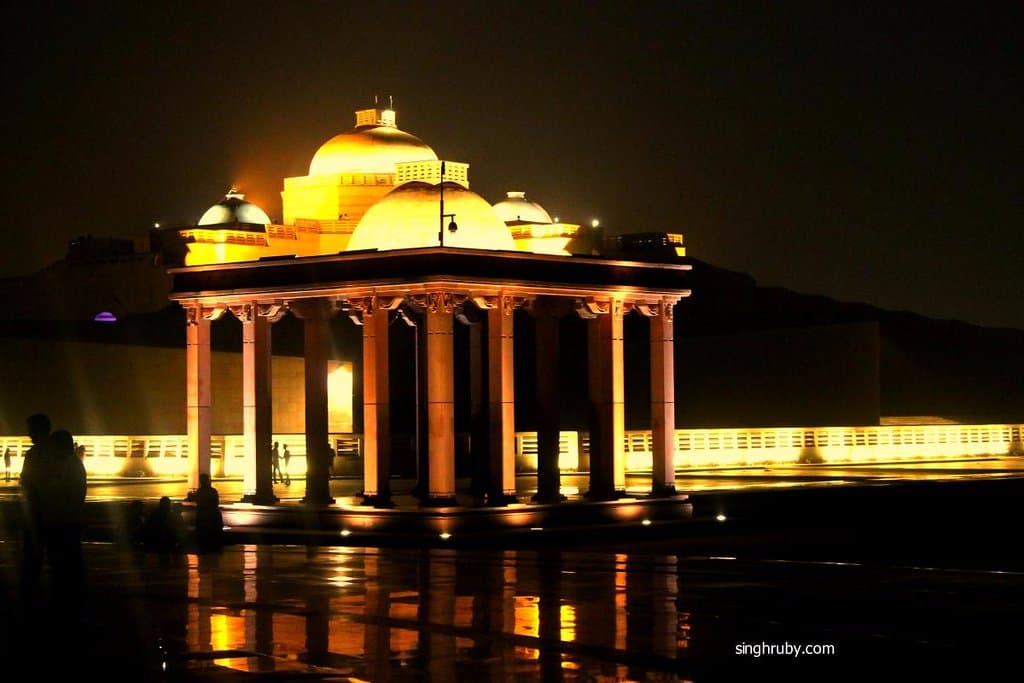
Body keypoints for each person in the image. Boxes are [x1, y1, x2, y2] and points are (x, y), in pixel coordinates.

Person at [37, 429, 88, 610]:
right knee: (69, 561)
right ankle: (70, 598)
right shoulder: (73, 463)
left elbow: (55, 490)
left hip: (62, 521)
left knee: (62, 562)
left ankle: (65, 600)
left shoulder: (67, 465)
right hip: (69, 520)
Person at [19, 413, 52, 606]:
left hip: (38, 512)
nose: (29, 434)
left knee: (32, 556)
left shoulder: (34, 455)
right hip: (52, 512)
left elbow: (27, 481)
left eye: (31, 430)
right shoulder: (56, 453)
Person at [193, 473, 223, 552]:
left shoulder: (200, 491)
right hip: (213, 516)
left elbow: (198, 503)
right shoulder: (213, 491)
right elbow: (216, 503)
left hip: (203, 517)